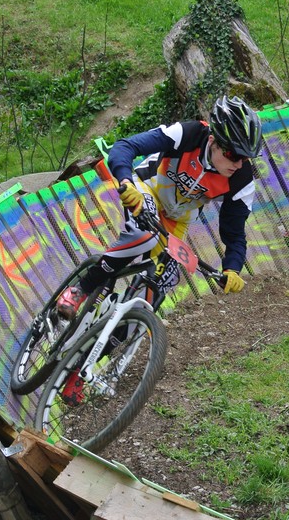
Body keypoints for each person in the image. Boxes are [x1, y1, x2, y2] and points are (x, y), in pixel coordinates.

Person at [56, 95, 263, 403]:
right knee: (145, 236)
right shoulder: (189, 134)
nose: (238, 163)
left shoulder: (241, 178)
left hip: (176, 222)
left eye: (245, 158)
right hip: (145, 189)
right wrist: (126, 182)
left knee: (152, 296)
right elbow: (125, 147)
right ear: (214, 141)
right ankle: (81, 289)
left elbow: (235, 233)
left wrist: (233, 267)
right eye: (233, 154)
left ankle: (78, 370)